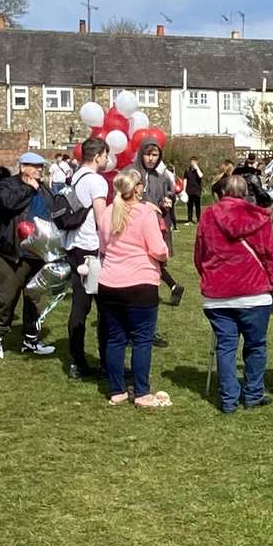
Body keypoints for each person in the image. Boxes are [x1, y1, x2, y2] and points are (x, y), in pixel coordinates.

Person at [195, 172, 273, 412]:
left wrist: (207, 275)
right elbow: (271, 253)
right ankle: (253, 394)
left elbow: (200, 252)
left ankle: (228, 399)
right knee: (255, 346)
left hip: (218, 294)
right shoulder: (259, 217)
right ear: (246, 193)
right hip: (254, 292)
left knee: (225, 346)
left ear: (223, 192)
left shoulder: (208, 217)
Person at [95, 170, 171, 408]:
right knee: (141, 339)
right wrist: (164, 254)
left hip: (109, 283)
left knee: (115, 339)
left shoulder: (108, 212)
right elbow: (158, 248)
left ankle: (117, 390)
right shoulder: (145, 212)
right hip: (140, 282)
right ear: (137, 188)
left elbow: (104, 246)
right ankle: (141, 392)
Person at [0, 153, 55, 360]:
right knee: (7, 298)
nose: (39, 171)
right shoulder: (7, 185)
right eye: (35, 167)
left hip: (38, 252)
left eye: (41, 167)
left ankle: (31, 339)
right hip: (14, 253)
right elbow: (7, 204)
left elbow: (52, 210)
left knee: (34, 298)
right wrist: (28, 188)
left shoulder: (44, 189)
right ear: (23, 167)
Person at [55, 137, 111, 380]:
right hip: (90, 247)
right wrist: (110, 244)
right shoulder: (97, 181)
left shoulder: (75, 176)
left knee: (80, 305)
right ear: (98, 156)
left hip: (72, 244)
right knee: (101, 306)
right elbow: (102, 218)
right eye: (106, 155)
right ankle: (102, 361)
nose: (108, 160)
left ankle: (78, 360)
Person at [132, 140, 186, 306]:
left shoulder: (160, 178)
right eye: (148, 154)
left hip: (153, 224)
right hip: (133, 224)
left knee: (152, 258)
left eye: (155, 155)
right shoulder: (131, 173)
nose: (151, 158)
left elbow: (166, 196)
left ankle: (156, 292)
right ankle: (171, 286)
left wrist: (166, 202)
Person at [184, 157, 205, 225]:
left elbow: (201, 176)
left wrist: (197, 168)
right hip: (189, 190)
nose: (192, 163)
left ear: (196, 162)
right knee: (189, 206)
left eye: (193, 162)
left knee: (197, 206)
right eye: (191, 162)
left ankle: (199, 220)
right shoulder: (187, 170)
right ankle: (189, 220)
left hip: (197, 191)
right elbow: (185, 180)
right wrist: (184, 190)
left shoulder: (199, 170)